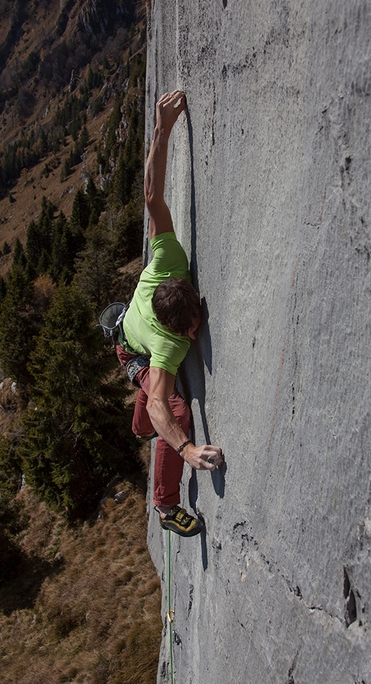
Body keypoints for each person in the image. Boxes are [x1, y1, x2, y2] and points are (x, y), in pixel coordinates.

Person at [116, 90, 224, 537]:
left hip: (131, 327)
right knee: (174, 413)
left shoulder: (168, 260)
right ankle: (164, 505)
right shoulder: (167, 344)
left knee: (152, 416)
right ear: (178, 330)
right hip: (133, 350)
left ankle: (139, 425)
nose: (197, 333)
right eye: (193, 330)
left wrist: (163, 129)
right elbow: (163, 403)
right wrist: (187, 450)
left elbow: (150, 193)